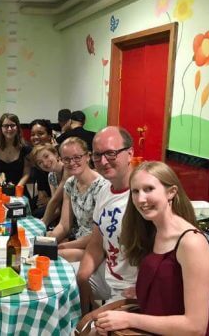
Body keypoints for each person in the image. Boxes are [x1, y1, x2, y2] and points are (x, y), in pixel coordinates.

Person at [91, 161, 209, 335]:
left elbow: (196, 327)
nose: (141, 199)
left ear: (171, 192)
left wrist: (129, 319)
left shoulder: (191, 242)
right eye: (135, 191)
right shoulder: (151, 230)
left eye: (149, 189)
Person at [77, 126, 137, 315]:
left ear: (130, 154)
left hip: (132, 288)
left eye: (111, 153)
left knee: (86, 329)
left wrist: (145, 289)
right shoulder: (105, 190)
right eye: (97, 155)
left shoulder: (143, 195)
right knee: (57, 283)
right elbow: (96, 242)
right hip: (108, 274)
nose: (103, 161)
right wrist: (82, 276)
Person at [47, 137, 106, 263]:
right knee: (42, 250)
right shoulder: (70, 184)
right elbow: (64, 225)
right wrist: (49, 241)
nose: (72, 162)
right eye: (66, 159)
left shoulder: (102, 187)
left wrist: (64, 246)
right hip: (79, 241)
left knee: (53, 257)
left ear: (88, 156)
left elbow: (99, 235)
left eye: (77, 157)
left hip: (98, 246)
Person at [0, 113, 32, 190]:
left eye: (13, 125)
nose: (9, 129)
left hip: (19, 189)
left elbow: (26, 174)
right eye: (6, 126)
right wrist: (1, 188)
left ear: (17, 127)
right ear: (1, 128)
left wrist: (16, 188)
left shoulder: (26, 147)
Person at [31, 143, 68, 227]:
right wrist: (41, 222)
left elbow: (54, 201)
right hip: (63, 219)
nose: (45, 163)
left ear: (55, 154)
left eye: (46, 156)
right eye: (40, 162)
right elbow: (57, 209)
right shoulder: (51, 176)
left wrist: (43, 222)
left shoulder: (68, 169)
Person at [29, 119, 54, 218]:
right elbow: (41, 183)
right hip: (46, 196)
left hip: (60, 200)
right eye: (33, 134)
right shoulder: (35, 155)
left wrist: (49, 200)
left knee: (35, 214)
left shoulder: (55, 155)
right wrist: (41, 195)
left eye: (40, 133)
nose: (35, 137)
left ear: (49, 136)